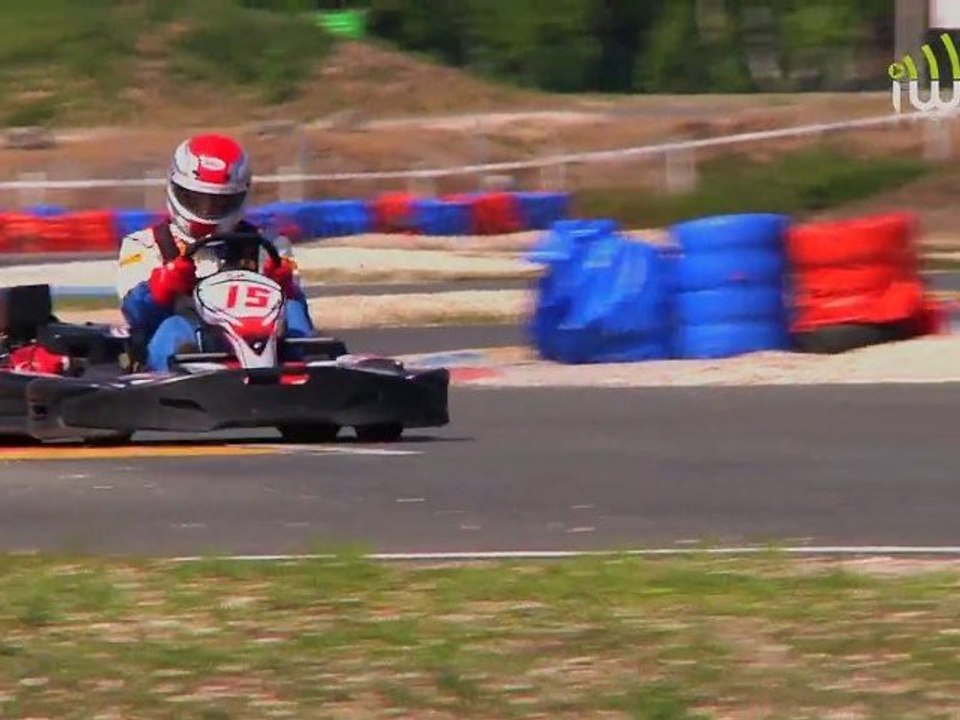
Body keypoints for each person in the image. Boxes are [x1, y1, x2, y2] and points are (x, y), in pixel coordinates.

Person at [116, 133, 315, 371]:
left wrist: (287, 288)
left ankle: (311, 371)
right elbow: (135, 317)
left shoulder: (269, 243)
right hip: (193, 344)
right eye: (197, 199)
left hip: (259, 341)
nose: (207, 210)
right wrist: (160, 288)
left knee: (292, 310)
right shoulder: (145, 244)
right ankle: (181, 377)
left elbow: (298, 308)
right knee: (172, 328)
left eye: (219, 203)